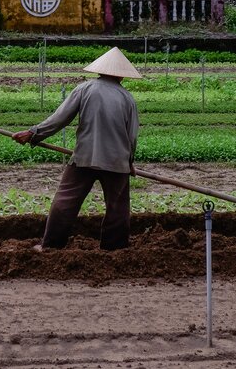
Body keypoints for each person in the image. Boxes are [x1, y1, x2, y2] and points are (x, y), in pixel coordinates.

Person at [12, 47, 141, 251]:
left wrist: (33, 133)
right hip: (116, 162)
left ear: (100, 70)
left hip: (84, 158)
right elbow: (131, 136)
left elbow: (60, 119)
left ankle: (51, 246)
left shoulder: (85, 89)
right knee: (118, 207)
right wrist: (129, 162)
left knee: (66, 200)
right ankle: (115, 250)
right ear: (121, 74)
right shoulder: (128, 99)